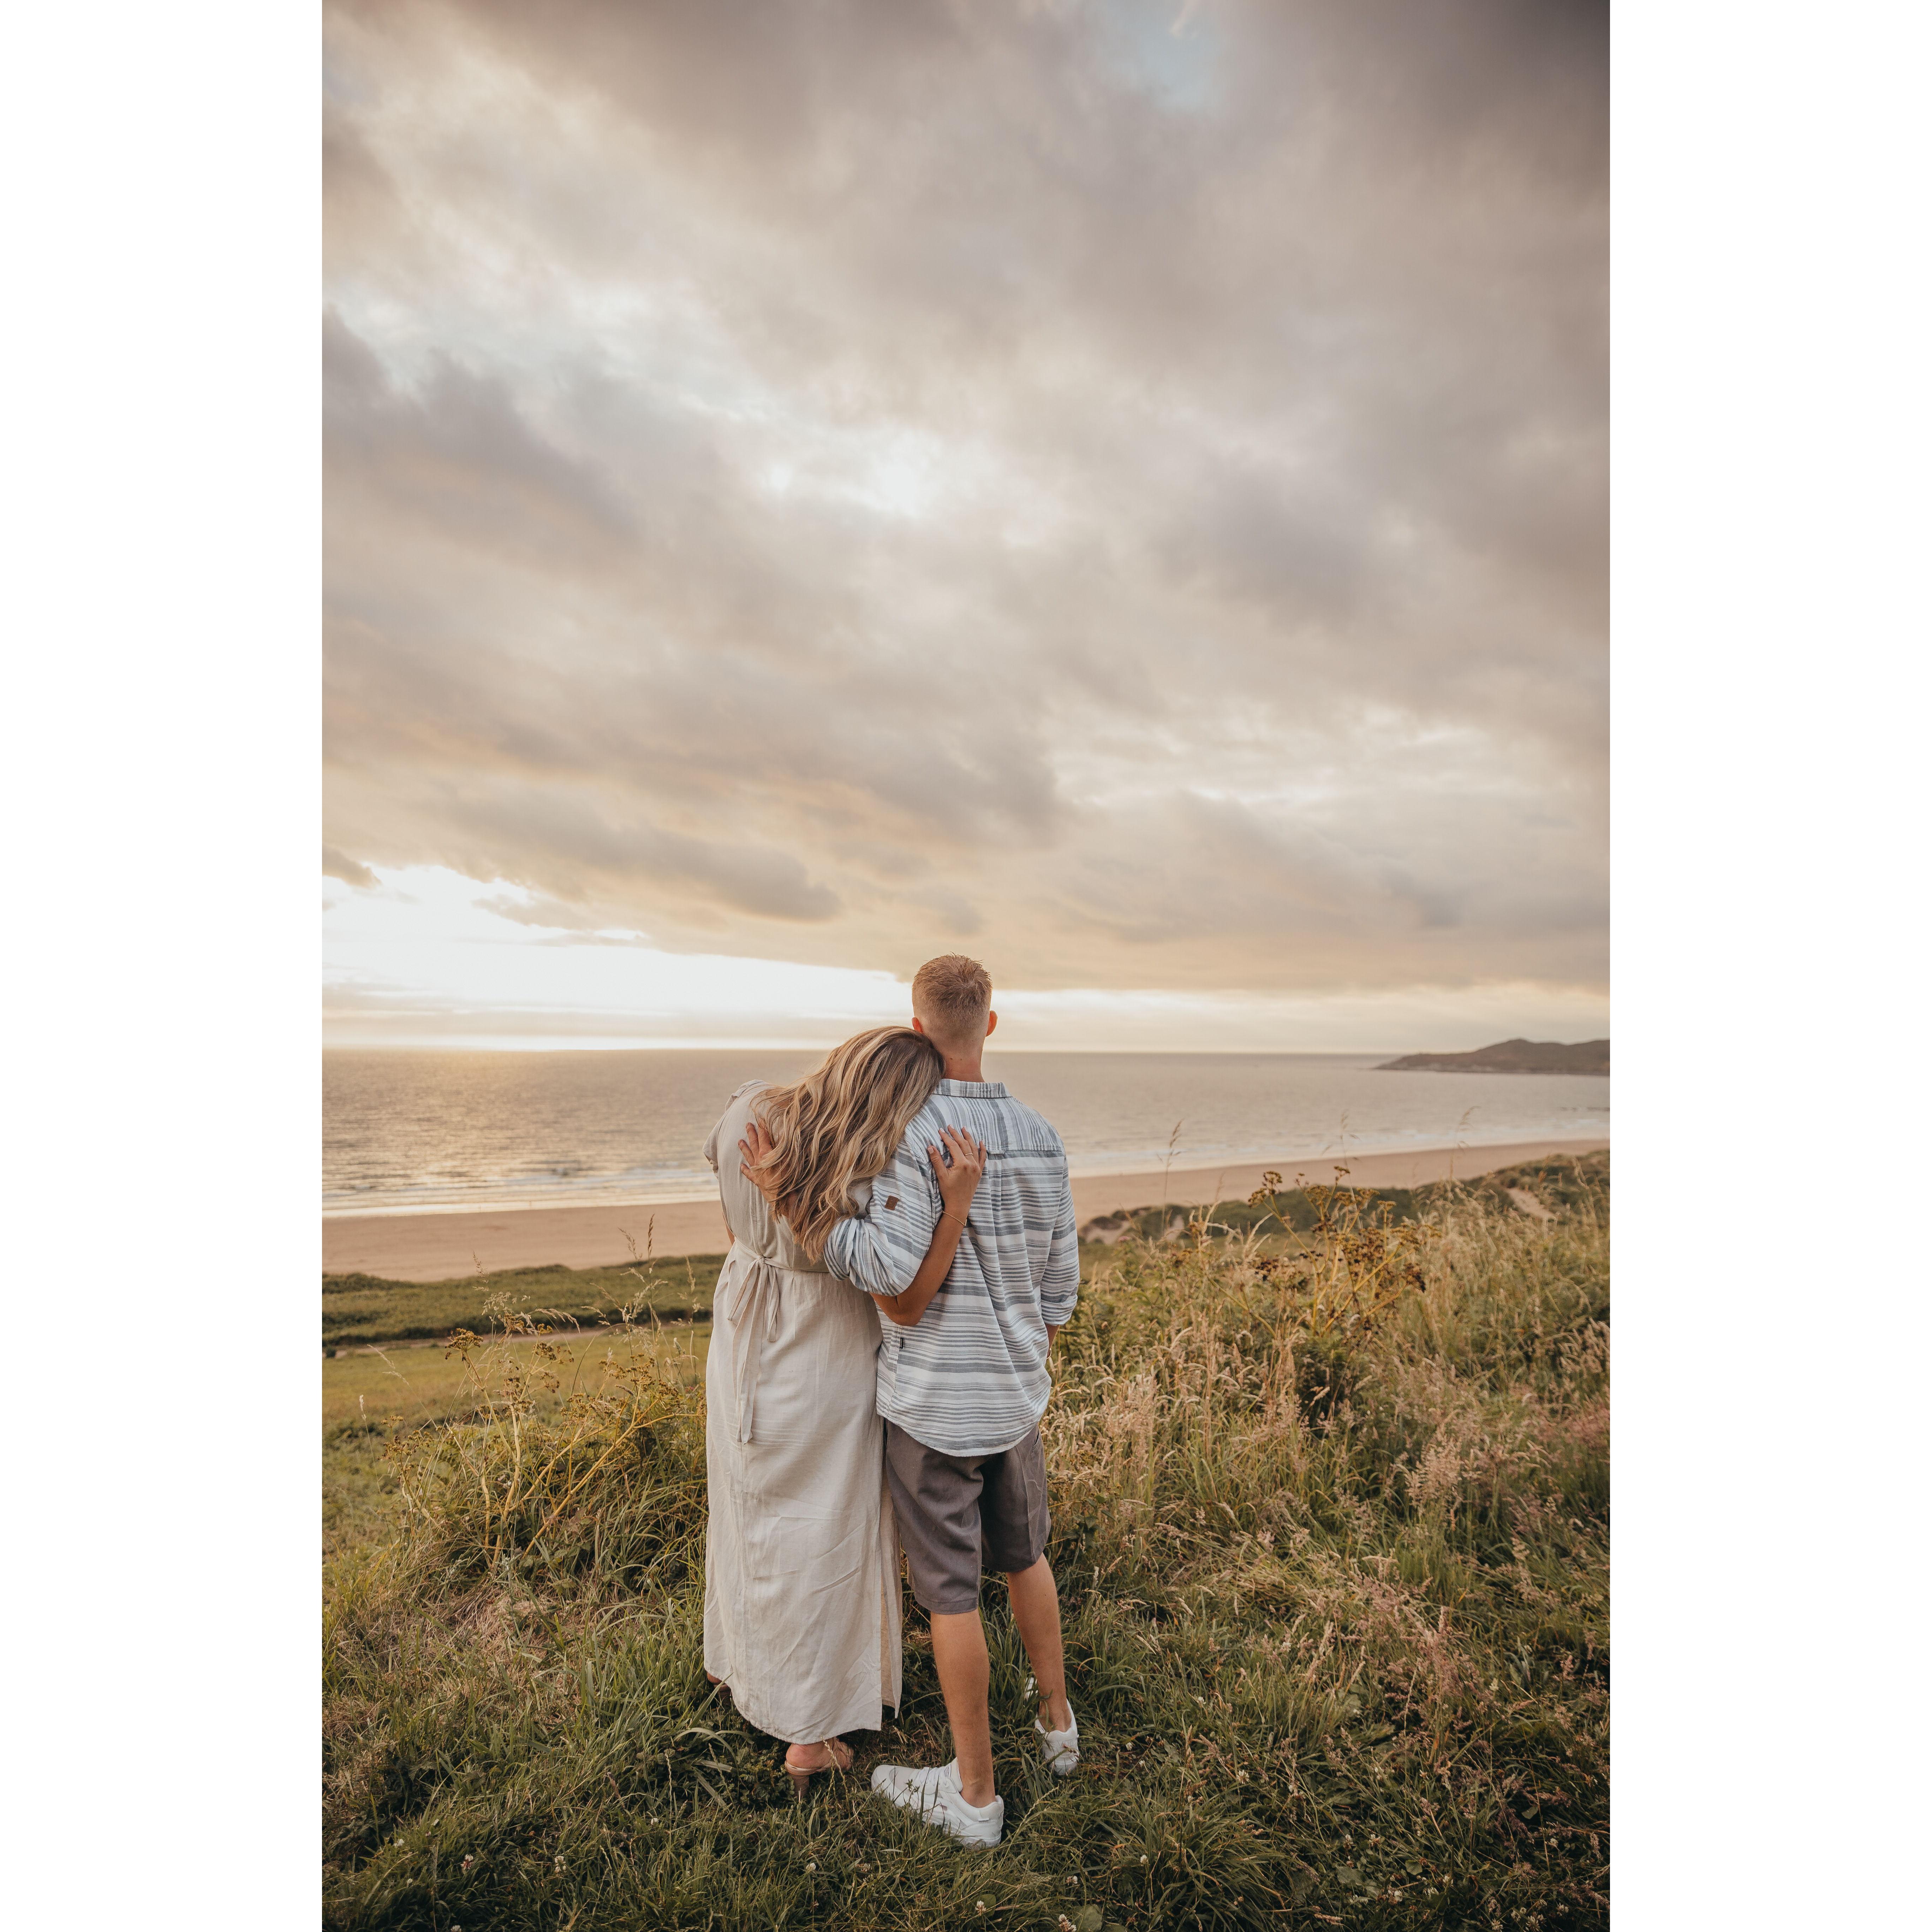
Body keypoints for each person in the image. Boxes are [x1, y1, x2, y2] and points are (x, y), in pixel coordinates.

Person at [741, 955, 1080, 1847]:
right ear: (991, 1025)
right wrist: (1016, 1357)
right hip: (1015, 1399)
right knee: (1026, 1557)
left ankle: (975, 1798)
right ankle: (1058, 1730)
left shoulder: (909, 1133)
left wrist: (797, 1208)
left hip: (934, 1409)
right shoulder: (1042, 1136)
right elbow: (1060, 1292)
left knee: (952, 1599)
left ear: (919, 1027)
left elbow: (893, 1277)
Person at [700, 1027, 986, 1795]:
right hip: (825, 1347)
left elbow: (731, 1224)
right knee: (821, 1533)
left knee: (745, 1504)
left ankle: (739, 1665)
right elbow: (903, 1300)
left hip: (741, 1329)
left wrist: (762, 1258)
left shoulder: (746, 1110)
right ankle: (811, 1736)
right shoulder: (869, 1170)